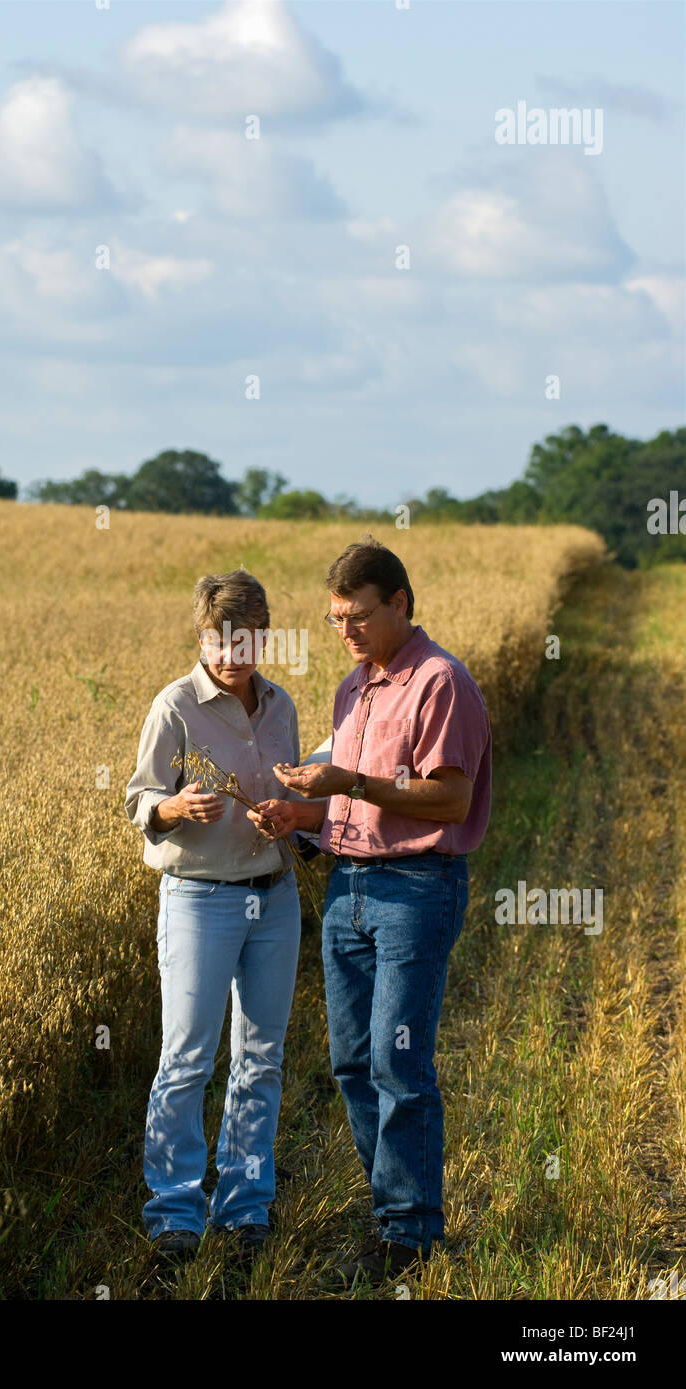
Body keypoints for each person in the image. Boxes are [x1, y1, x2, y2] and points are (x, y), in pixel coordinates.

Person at [248, 536, 492, 1286]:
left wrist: (348, 779)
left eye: (356, 616)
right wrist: (301, 816)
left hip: (416, 889)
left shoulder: (438, 681)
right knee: (351, 1061)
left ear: (399, 604)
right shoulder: (353, 688)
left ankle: (412, 1234)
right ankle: (392, 1208)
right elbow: (348, 805)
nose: (346, 631)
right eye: (333, 620)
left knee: (397, 1060)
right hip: (348, 887)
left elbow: (447, 797)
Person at [124, 569, 303, 1264]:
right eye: (217, 640)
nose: (230, 655)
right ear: (202, 635)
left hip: (274, 895)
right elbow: (141, 800)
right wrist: (176, 808)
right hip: (199, 897)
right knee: (189, 1056)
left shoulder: (279, 706)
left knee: (260, 1058)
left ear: (263, 635)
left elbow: (287, 786)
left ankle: (244, 1205)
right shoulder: (174, 706)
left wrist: (284, 814)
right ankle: (173, 1210)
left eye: (245, 640)